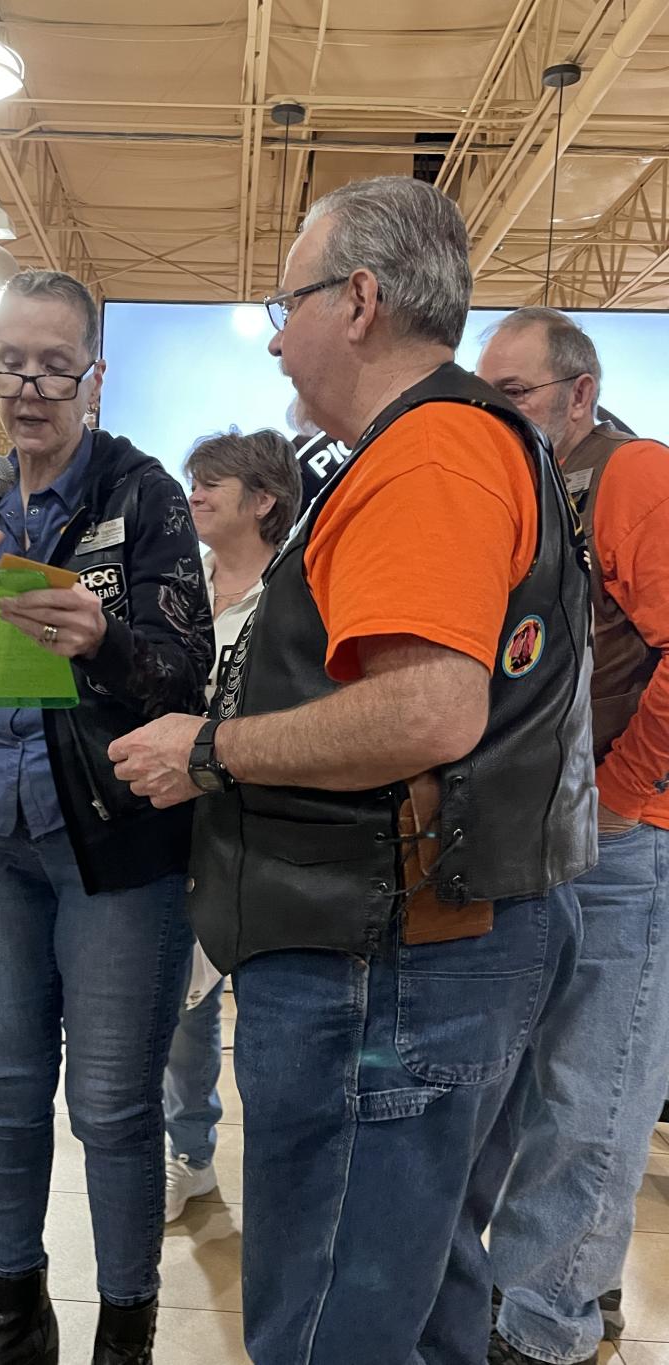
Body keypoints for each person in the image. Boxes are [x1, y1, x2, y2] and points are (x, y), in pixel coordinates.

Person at [108, 175, 596, 1365]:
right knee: (418, 1294)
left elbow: (427, 710)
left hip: (381, 957)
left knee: (333, 1308)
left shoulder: (429, 454)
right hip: (419, 939)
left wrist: (208, 750)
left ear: (361, 301)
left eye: (289, 306)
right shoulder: (444, 445)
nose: (277, 340)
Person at [0, 268, 212, 1365]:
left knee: (110, 1106)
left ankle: (125, 1331)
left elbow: (188, 670)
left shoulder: (143, 496)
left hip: (117, 847)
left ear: (95, 375)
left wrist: (105, 639)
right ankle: (15, 1311)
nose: (27, 389)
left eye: (53, 366)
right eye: (9, 364)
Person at [477, 308, 669, 1365]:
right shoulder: (543, 493)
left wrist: (625, 791)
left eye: (515, 393)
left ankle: (540, 1328)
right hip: (553, 829)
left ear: (579, 392)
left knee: (594, 1088)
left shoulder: (633, 475)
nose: (498, 413)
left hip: (624, 835)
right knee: (549, 1086)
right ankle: (572, 1285)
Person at [164, 428, 301, 1222]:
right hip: (178, 824)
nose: (196, 493)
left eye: (212, 481)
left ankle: (284, 1191)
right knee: (181, 1012)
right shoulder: (178, 585)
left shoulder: (296, 590)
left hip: (270, 830)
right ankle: (189, 1153)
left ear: (263, 499)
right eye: (195, 478)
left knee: (276, 1020)